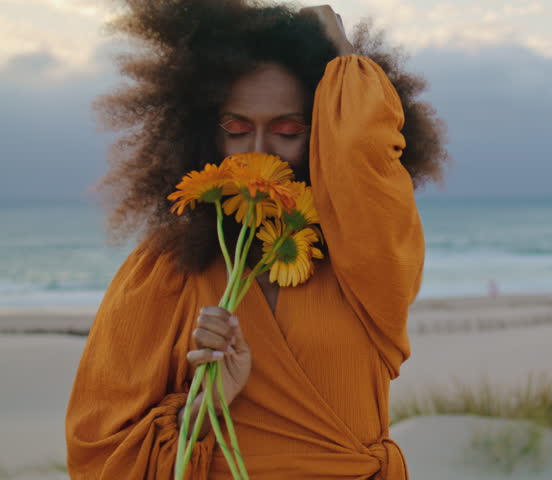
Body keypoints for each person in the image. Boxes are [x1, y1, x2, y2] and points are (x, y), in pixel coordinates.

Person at [65, 1, 448, 478]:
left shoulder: (368, 267)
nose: (259, 151)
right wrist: (203, 409)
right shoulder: (164, 270)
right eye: (237, 129)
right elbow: (101, 451)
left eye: (288, 130)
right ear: (204, 135)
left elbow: (360, 153)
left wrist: (341, 57)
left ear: (322, 134)